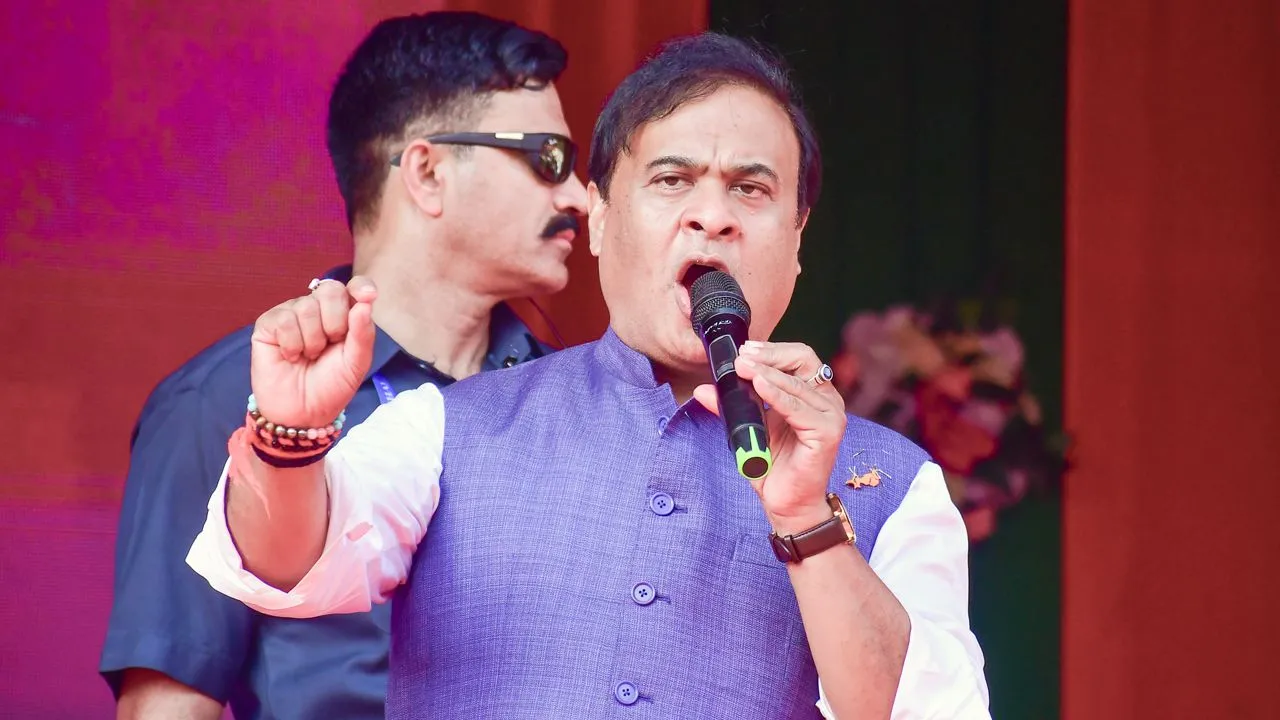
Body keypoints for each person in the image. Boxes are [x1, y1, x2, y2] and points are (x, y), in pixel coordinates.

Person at [187, 32, 990, 719]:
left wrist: (807, 517)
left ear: (797, 238)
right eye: (671, 180)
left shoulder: (894, 482)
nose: (713, 216)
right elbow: (289, 567)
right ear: (601, 218)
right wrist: (288, 439)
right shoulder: (449, 428)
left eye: (751, 189)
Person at [100, 11, 587, 720]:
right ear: (427, 173)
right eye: (549, 158)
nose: (576, 195)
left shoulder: (571, 401)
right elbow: (170, 706)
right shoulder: (225, 398)